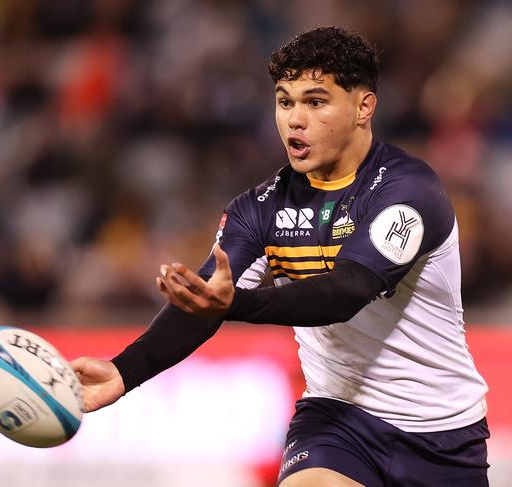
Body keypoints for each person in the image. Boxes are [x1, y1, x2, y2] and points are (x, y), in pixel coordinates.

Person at [70, 26, 489, 487]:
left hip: (442, 436)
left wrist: (237, 306)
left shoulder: (408, 191)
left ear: (364, 107)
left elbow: (347, 291)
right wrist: (122, 371)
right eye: (285, 101)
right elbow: (205, 303)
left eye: (315, 102)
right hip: (336, 421)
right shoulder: (259, 208)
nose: (294, 119)